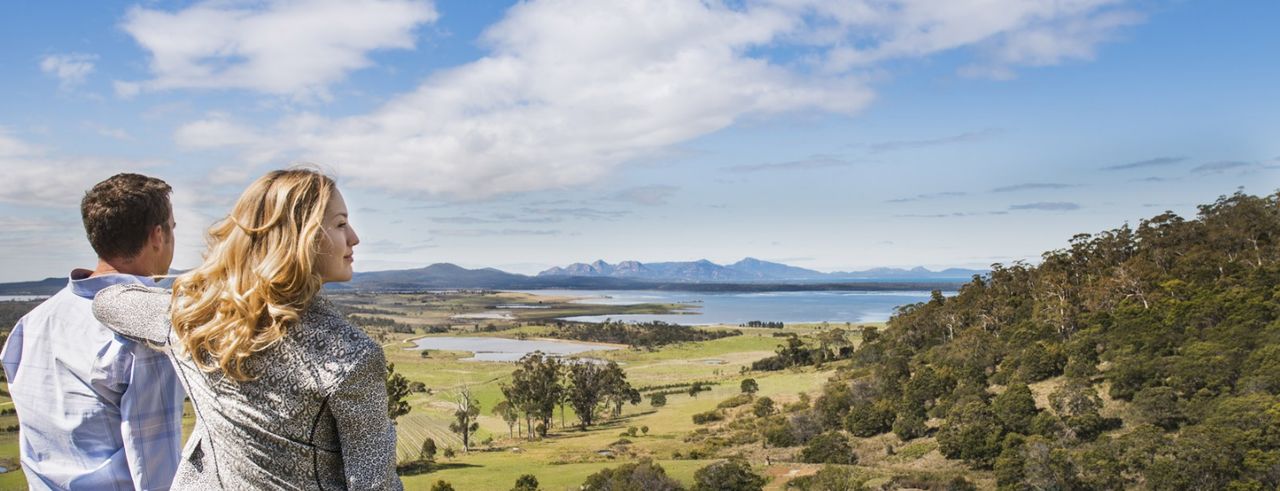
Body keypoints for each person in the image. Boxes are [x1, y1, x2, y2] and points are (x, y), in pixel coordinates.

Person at [93, 168, 401, 489]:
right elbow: (375, 484)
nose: (354, 237)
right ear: (299, 237)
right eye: (340, 224)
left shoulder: (194, 320)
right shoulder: (351, 356)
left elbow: (108, 301)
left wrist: (203, 293)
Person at [1, 173, 186, 490]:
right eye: (172, 227)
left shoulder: (31, 324)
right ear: (157, 235)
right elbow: (158, 473)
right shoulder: (147, 334)